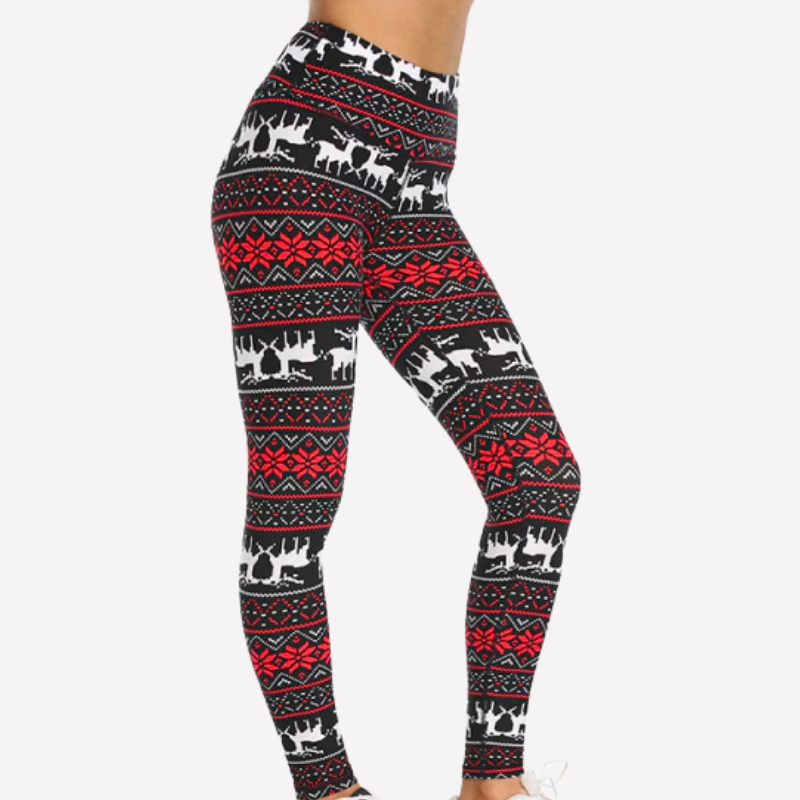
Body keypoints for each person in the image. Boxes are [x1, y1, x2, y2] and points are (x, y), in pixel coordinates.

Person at [209, 2, 581, 799]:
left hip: (418, 182)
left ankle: (493, 785)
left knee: (538, 479)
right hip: (306, 155)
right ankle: (330, 790)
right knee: (295, 508)